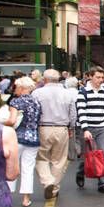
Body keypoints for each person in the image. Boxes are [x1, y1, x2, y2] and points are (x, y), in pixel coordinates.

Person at [31, 69, 75, 200]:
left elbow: (33, 112)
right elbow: (73, 113)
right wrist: (71, 127)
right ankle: (54, 187)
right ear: (58, 79)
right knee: (59, 160)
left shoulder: (37, 93)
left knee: (41, 158)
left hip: (43, 128)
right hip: (62, 128)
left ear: (44, 80)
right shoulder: (67, 94)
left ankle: (47, 180)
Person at [3, 76, 42, 207]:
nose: (15, 89)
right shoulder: (36, 102)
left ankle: (8, 194)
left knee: (11, 165)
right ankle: (26, 198)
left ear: (21, 87)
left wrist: (1, 122)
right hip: (33, 138)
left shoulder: (16, 102)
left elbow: (12, 120)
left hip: (17, 138)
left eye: (16, 87)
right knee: (28, 168)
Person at [75, 66, 104, 194]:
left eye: (102, 77)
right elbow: (81, 112)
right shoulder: (83, 92)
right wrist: (85, 129)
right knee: (87, 157)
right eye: (98, 77)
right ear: (90, 77)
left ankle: (103, 183)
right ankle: (81, 172)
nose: (100, 80)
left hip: (103, 127)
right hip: (88, 128)